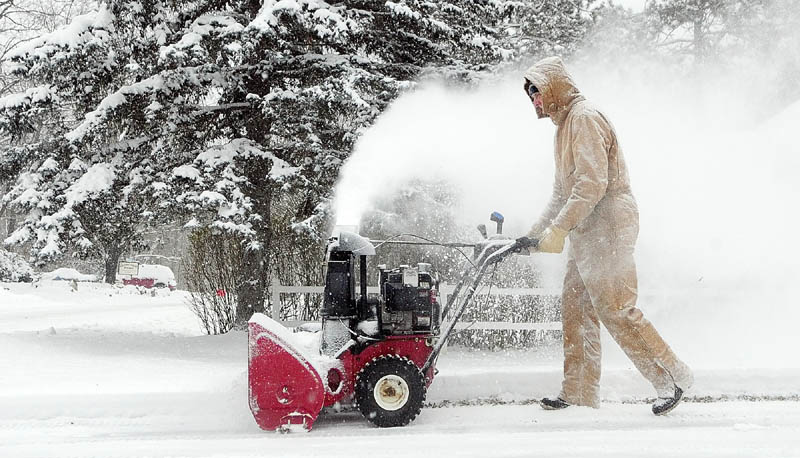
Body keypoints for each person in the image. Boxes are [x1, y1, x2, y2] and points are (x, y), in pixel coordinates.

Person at [517, 56, 693, 415]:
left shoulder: (584, 118)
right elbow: (560, 192)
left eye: (537, 92)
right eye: (530, 95)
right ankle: (578, 393)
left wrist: (559, 229)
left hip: (609, 221)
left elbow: (592, 184)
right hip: (587, 226)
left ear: (552, 88)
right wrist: (534, 234)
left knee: (615, 307)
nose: (534, 101)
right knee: (577, 308)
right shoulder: (562, 127)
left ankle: (671, 377)